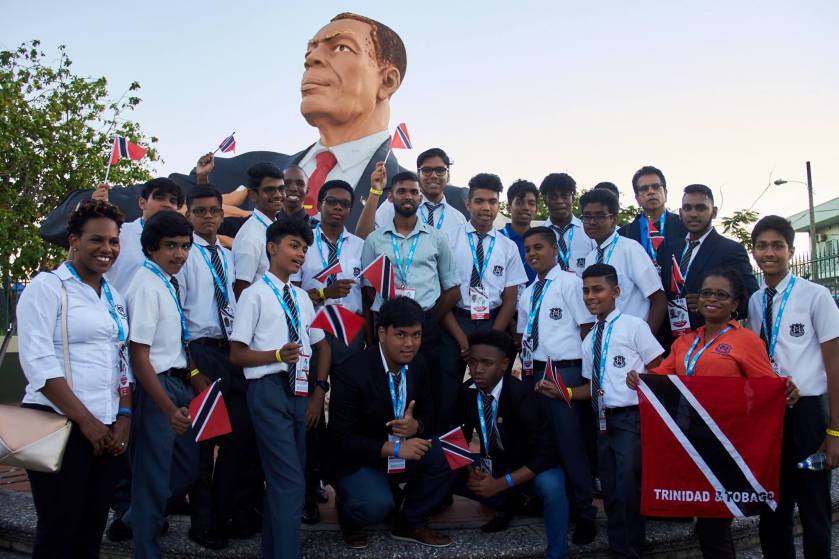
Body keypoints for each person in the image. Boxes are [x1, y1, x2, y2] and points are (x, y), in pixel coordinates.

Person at [628, 267, 798, 558]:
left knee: (714, 524)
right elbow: (661, 377)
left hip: (727, 445)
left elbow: (766, 387)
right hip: (691, 446)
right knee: (707, 525)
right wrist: (639, 378)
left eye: (721, 295)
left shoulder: (747, 341)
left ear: (735, 304)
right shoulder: (684, 342)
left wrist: (785, 390)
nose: (712, 299)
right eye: (706, 293)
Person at [18, 200, 131, 559]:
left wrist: (124, 416)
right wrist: (86, 421)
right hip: (59, 424)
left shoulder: (112, 295)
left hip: (107, 426)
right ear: (74, 241)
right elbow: (38, 362)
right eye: (96, 239)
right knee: (58, 531)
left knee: (91, 530)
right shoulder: (48, 287)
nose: (107, 249)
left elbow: (122, 358)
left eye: (113, 241)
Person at [229, 218, 331, 559]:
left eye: (304, 248)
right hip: (269, 389)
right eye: (293, 246)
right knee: (289, 481)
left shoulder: (302, 297)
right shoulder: (254, 295)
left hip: (299, 391)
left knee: (288, 479)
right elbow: (237, 354)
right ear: (272, 248)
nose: (300, 254)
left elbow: (321, 345)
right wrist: (275, 355)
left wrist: (318, 391)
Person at [328, 297, 454, 549]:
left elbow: (431, 415)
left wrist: (416, 426)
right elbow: (341, 438)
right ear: (382, 333)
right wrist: (394, 448)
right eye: (401, 335)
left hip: (401, 455)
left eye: (416, 335)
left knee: (453, 451)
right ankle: (349, 510)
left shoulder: (419, 364)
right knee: (376, 507)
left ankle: (410, 521)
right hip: (361, 459)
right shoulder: (351, 371)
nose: (410, 344)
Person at [748, 216, 839, 559]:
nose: (769, 253)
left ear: (791, 250)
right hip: (770, 415)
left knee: (814, 507)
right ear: (754, 252)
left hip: (808, 415)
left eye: (777, 246)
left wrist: (835, 432)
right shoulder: (756, 301)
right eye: (762, 246)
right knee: (774, 506)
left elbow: (835, 365)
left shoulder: (816, 296)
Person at [178, 186, 259, 548]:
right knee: (205, 440)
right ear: (190, 216)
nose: (208, 217)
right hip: (201, 350)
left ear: (222, 215)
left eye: (213, 210)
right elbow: (179, 318)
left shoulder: (226, 256)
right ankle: (202, 522)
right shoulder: (184, 256)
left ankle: (227, 511)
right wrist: (193, 368)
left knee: (239, 433)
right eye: (200, 211)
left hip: (229, 350)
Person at [121, 210, 199, 559]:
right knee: (153, 479)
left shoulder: (166, 281)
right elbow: (140, 359)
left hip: (179, 384)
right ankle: (146, 547)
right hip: (158, 389)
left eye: (185, 246)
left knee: (187, 470)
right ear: (151, 248)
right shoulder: (144, 286)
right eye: (170, 246)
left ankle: (132, 517)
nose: (179, 254)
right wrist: (167, 408)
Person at [574, 264, 664, 558]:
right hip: (602, 421)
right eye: (586, 291)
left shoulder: (634, 326)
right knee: (611, 491)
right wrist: (565, 392)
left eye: (597, 289)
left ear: (615, 292)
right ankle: (618, 550)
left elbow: (659, 368)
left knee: (628, 489)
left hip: (630, 419)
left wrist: (643, 380)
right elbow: (591, 385)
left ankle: (632, 552)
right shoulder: (589, 339)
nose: (590, 296)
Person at [454, 330, 570, 559]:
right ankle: (507, 503)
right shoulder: (466, 392)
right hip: (493, 463)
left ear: (504, 364)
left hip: (528, 467)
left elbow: (547, 453)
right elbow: (457, 436)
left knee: (552, 485)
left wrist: (501, 484)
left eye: (487, 363)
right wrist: (470, 471)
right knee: (442, 463)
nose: (477, 369)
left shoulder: (522, 395)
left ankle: (557, 553)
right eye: (473, 362)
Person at [516, 226, 598, 545]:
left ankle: (585, 514)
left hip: (566, 370)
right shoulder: (528, 292)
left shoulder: (569, 283)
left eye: (539, 247)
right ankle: (553, 502)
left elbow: (587, 327)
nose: (532, 254)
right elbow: (524, 335)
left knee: (571, 444)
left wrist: (586, 374)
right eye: (528, 249)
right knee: (543, 442)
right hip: (535, 372)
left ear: (554, 249)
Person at [291, 179, 365, 523]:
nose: (338, 208)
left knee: (348, 412)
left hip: (350, 331)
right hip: (312, 331)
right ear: (319, 204)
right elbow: (291, 292)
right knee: (311, 413)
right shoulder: (303, 242)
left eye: (344, 204)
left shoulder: (360, 245)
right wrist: (324, 294)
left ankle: (346, 487)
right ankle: (309, 489)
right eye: (332, 202)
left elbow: (367, 293)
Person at [437, 173, 528, 431]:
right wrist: (462, 339)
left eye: (492, 201)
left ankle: (490, 447)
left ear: (499, 205)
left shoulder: (508, 247)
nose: (486, 207)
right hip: (455, 324)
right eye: (479, 201)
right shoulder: (448, 240)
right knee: (448, 394)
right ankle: (452, 450)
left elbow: (510, 299)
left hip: (493, 323)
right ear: (468, 203)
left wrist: (492, 338)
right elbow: (441, 295)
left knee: (492, 394)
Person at [360, 171, 460, 396]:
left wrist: (428, 319)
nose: (408, 196)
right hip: (388, 326)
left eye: (414, 192)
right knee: (387, 389)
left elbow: (452, 289)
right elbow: (367, 288)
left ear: (420, 198)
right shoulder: (374, 239)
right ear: (391, 197)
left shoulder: (437, 238)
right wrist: (386, 315)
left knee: (426, 389)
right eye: (402, 191)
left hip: (425, 327)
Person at [660, 184, 758, 332]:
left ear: (714, 212)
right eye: (687, 208)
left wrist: (711, 304)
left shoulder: (730, 250)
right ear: (680, 213)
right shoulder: (669, 249)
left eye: (701, 208)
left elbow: (751, 301)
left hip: (711, 338)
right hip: (670, 338)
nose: (693, 214)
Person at [580, 188, 667, 330]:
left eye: (600, 216)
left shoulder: (630, 249)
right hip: (605, 337)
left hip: (630, 337)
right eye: (587, 216)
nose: (592, 222)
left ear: (614, 220)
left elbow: (659, 299)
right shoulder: (591, 258)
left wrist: (645, 338)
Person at [100, 177, 184, 294]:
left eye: (173, 201)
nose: (167, 205)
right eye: (159, 198)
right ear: (142, 203)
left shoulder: (182, 244)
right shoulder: (119, 233)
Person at [368, 147, 468, 235]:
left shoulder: (459, 220)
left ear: (448, 176)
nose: (434, 175)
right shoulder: (395, 205)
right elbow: (366, 236)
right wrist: (375, 192)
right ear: (418, 175)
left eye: (440, 170)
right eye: (427, 170)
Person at [231, 162, 285, 298]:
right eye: (270, 190)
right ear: (253, 195)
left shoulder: (275, 228)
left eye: (281, 189)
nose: (278, 195)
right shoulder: (251, 236)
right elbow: (241, 291)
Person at [618, 166, 687, 261]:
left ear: (665, 193)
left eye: (656, 187)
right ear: (637, 199)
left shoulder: (684, 226)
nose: (651, 192)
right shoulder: (623, 235)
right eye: (644, 188)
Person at [539, 172, 595, 276]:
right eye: (553, 197)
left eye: (564, 196)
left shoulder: (589, 231)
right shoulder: (539, 235)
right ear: (545, 200)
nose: (559, 201)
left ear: (573, 198)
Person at [499, 179, 539, 286]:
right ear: (509, 207)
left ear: (536, 209)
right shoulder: (496, 238)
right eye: (519, 203)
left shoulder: (541, 241)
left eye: (531, 203)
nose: (526, 208)